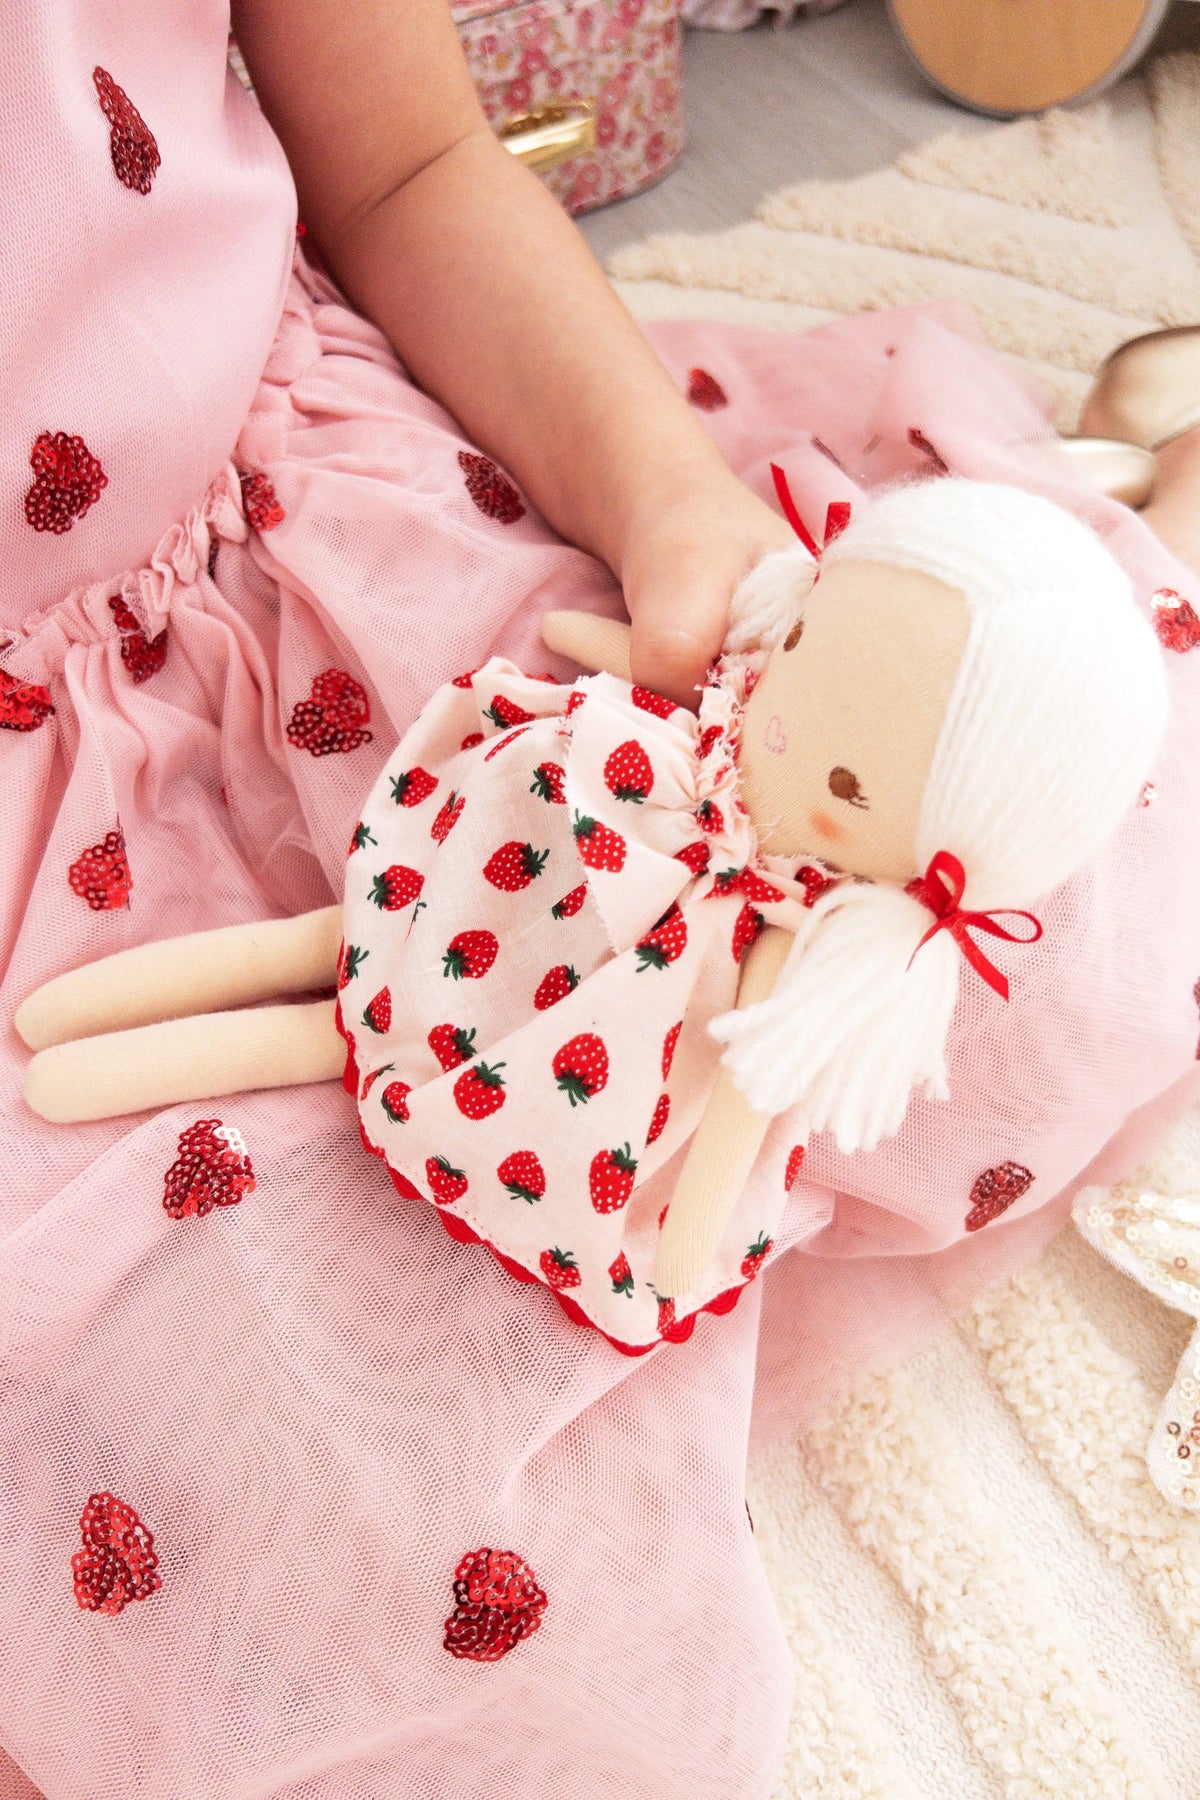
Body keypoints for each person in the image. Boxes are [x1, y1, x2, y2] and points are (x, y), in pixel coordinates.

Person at [2, 5, 1199, 1796]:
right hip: (46, 817)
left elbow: (410, 162)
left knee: (1063, 955)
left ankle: (1151, 530)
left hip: (325, 543)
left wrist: (670, 517)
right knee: (299, 1522)